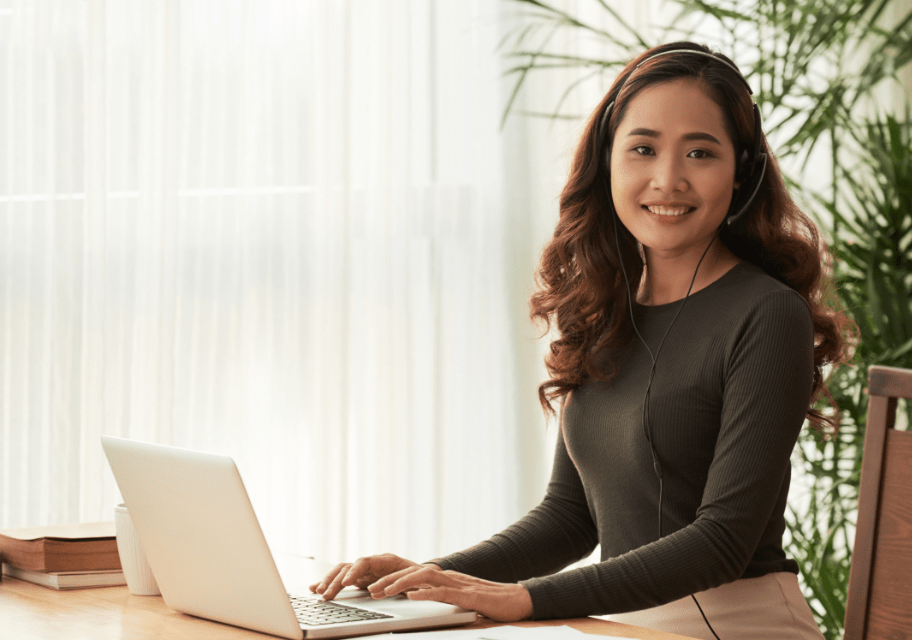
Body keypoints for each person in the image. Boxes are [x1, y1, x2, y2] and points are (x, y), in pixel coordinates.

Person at [310, 41, 855, 640]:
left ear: (742, 172)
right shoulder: (603, 305)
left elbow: (722, 541)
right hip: (620, 621)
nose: (667, 179)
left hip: (732, 623)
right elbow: (570, 518)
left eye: (701, 153)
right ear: (609, 162)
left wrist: (524, 599)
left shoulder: (767, 314)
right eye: (643, 149)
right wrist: (429, 574)